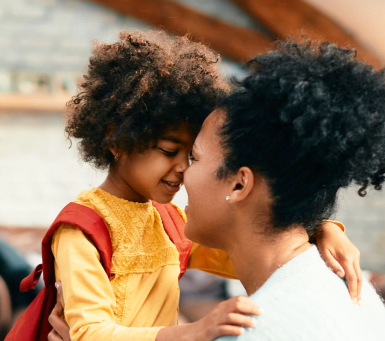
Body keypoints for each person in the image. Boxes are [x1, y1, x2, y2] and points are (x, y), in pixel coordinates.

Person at [46, 32, 360, 341]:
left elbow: (255, 251)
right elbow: (88, 333)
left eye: (191, 155)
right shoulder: (82, 231)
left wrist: (320, 230)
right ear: (117, 140)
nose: (184, 167)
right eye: (170, 151)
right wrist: (195, 331)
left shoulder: (170, 222)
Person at [182, 40, 385, 340]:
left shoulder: (248, 329)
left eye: (193, 158)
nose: (181, 173)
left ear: (239, 184)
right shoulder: (361, 299)